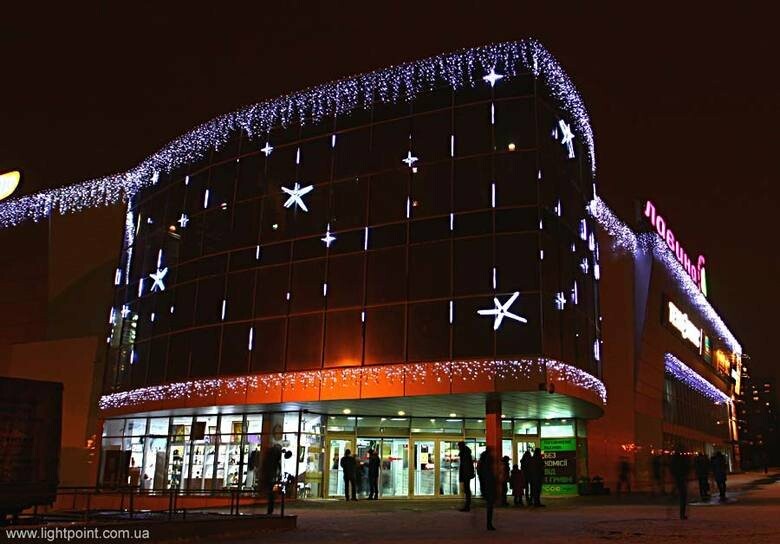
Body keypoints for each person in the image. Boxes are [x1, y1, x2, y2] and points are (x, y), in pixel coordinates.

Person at [477, 447, 497, 531]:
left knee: (489, 504)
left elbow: (479, 473)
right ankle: (489, 524)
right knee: (490, 505)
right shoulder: (488, 465)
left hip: (485, 484)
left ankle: (489, 523)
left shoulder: (482, 462)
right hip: (489, 484)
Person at [669, 445, 690, 520]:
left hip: (677, 477)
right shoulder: (682, 459)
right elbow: (687, 467)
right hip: (681, 478)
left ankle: (681, 513)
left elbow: (672, 468)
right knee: (683, 496)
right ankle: (682, 514)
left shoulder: (673, 460)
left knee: (681, 494)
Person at [261, 444, 282, 515]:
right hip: (272, 476)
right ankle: (270, 509)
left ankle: (270, 509)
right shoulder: (275, 458)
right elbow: (277, 467)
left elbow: (265, 465)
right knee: (271, 493)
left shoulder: (269, 456)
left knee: (270, 493)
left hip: (269, 476)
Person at [457, 441, 475, 512]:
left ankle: (467, 506)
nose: (458, 448)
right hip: (467, 474)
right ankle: (467, 505)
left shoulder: (465, 454)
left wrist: (464, 475)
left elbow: (465, 466)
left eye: (458, 446)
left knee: (467, 490)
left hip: (466, 474)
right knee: (466, 489)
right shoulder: (466, 453)